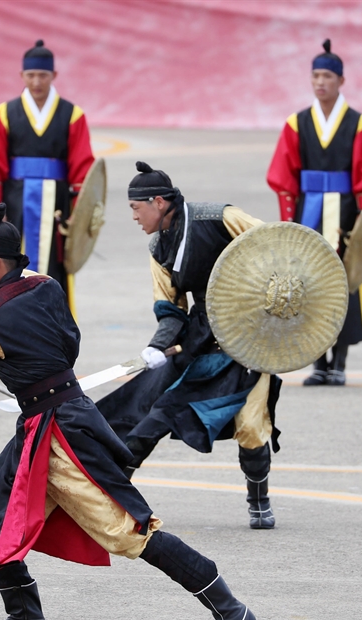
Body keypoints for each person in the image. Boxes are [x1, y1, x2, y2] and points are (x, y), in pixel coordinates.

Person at [0, 205, 260, 620]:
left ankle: (231, 609)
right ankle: (26, 618)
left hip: (64, 435)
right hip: (51, 422)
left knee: (128, 531)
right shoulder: (42, 285)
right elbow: (4, 298)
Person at [94, 163, 281, 530]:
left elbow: (277, 243)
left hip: (251, 338)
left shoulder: (220, 217)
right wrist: (157, 346)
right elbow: (170, 310)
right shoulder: (159, 247)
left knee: (251, 425)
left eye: (136, 208)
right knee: (156, 414)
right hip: (202, 343)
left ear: (158, 202)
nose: (133, 217)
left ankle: (259, 499)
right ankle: (111, 500)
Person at [267, 39, 362, 386]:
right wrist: (290, 217)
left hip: (346, 212)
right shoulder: (297, 122)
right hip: (309, 211)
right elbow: (283, 174)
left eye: (327, 76)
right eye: (315, 75)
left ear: (341, 81)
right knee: (309, 281)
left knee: (345, 281)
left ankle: (341, 362)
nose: (320, 82)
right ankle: (318, 361)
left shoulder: (358, 124)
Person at [0, 39, 94, 314]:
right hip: (12, 201)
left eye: (43, 75)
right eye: (31, 75)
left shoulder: (72, 115)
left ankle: (51, 328)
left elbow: (82, 166)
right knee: (3, 262)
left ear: (54, 76)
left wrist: (77, 212)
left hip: (57, 207)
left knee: (52, 266)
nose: (37, 81)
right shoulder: (4, 114)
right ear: (21, 76)